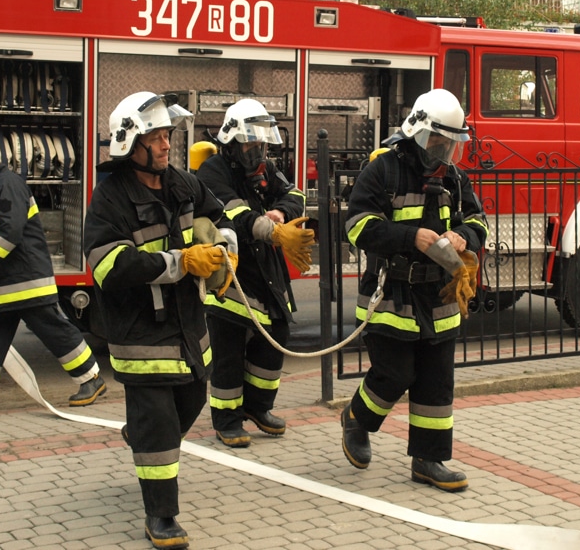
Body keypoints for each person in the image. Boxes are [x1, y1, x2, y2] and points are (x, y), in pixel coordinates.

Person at [83, 92, 237, 550]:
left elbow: (219, 216)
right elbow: (106, 267)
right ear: (132, 142)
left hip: (189, 328)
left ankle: (145, 436)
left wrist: (225, 248)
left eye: (168, 134)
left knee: (188, 405)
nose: (167, 144)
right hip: (141, 334)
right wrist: (179, 262)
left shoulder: (183, 184)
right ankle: (162, 516)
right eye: (157, 136)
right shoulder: (110, 197)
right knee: (159, 423)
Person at [340, 88, 488, 492]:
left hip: (438, 297)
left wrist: (462, 237)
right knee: (396, 372)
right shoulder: (383, 170)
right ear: (419, 134)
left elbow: (479, 222)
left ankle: (430, 460)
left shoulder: (454, 178)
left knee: (436, 381)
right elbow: (356, 226)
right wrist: (411, 237)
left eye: (450, 145)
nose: (443, 153)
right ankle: (357, 420)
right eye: (437, 143)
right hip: (390, 295)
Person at [0, 138, 107, 416]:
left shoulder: (6, 184)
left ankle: (92, 379)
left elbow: (10, 231)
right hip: (5, 283)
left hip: (24, 282)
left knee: (53, 331)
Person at [195, 98, 313, 448]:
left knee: (275, 335)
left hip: (266, 271)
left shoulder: (266, 168)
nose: (257, 150)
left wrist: (279, 213)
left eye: (261, 142)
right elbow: (236, 214)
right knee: (228, 350)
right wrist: (272, 229)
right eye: (250, 142)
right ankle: (227, 420)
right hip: (231, 272)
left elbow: (297, 196)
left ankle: (258, 408)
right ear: (231, 141)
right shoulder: (213, 172)